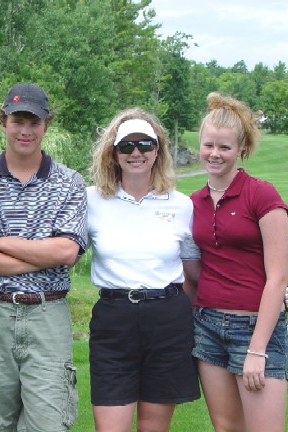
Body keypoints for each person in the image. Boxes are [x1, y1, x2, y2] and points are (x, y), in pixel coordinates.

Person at [0, 83, 88, 431]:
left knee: (48, 423)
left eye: (34, 122)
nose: (25, 131)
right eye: (18, 121)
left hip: (48, 313)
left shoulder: (70, 182)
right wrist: (42, 256)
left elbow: (66, 250)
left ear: (47, 124)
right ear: (3, 122)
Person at [86, 108, 201, 432]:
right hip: (114, 320)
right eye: (126, 145)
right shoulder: (91, 200)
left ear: (157, 150)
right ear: (113, 153)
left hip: (167, 321)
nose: (136, 152)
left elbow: (193, 270)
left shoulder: (181, 204)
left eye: (145, 144)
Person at [190, 92, 288, 432]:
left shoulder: (262, 195)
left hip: (256, 328)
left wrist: (257, 349)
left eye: (225, 147)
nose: (214, 154)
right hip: (207, 326)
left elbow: (277, 279)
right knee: (227, 428)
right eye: (208, 145)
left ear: (241, 149)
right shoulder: (194, 201)